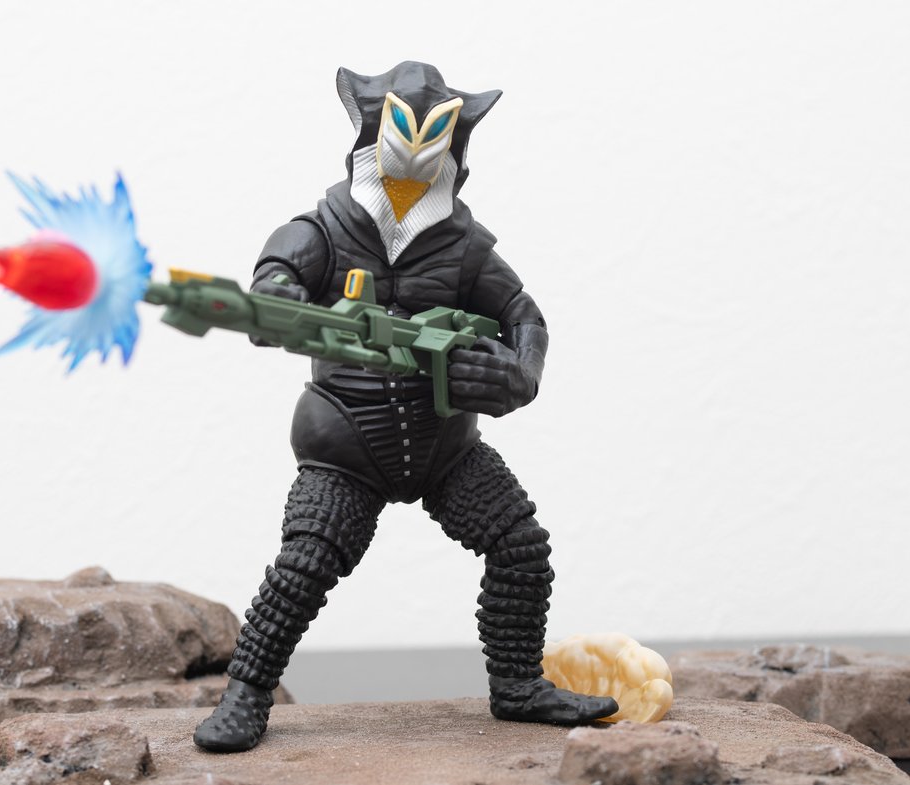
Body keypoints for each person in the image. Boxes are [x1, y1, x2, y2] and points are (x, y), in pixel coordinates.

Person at [193, 62, 618, 753]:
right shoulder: (319, 231)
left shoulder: (465, 247)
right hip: (346, 443)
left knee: (521, 548)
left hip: (443, 444)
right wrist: (282, 302)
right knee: (304, 565)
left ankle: (517, 683)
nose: (409, 180)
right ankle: (245, 692)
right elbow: (270, 290)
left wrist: (517, 374)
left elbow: (524, 316)